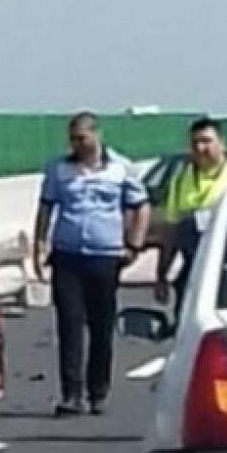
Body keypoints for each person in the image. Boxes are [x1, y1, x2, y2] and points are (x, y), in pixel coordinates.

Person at [33, 113, 151, 416]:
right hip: (68, 254)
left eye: (82, 138)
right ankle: (71, 393)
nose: (78, 145)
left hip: (105, 255)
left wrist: (134, 244)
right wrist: (40, 245)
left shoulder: (121, 168)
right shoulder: (59, 169)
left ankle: (98, 390)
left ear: (97, 135)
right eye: (73, 139)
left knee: (101, 325)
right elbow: (46, 207)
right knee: (69, 324)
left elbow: (141, 206)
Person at [155, 117, 227, 323]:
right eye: (195, 143)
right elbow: (171, 231)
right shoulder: (181, 179)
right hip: (195, 268)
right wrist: (162, 275)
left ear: (221, 143)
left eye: (206, 141)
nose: (200, 148)